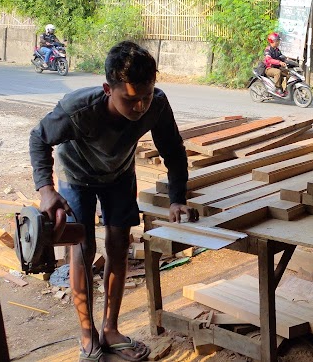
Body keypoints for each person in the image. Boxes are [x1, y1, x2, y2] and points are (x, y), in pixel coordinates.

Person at [29, 41, 198, 362]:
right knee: (82, 249)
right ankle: (86, 335)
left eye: (146, 96)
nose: (140, 107)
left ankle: (110, 329)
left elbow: (174, 151)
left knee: (119, 245)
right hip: (77, 175)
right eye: (130, 99)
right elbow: (38, 138)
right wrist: (46, 190)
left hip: (119, 173)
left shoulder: (157, 105)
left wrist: (177, 199)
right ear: (108, 89)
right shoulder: (78, 110)